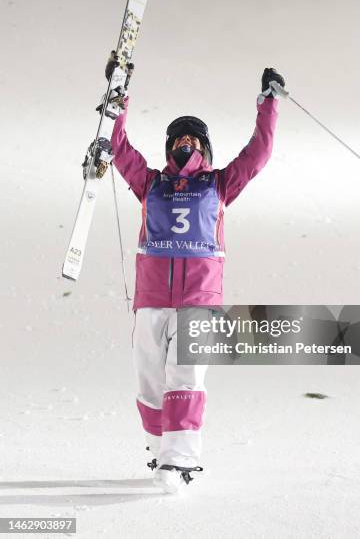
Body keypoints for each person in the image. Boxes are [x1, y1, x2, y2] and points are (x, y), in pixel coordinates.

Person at [105, 57, 285, 492]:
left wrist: (269, 104)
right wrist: (118, 94)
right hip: (151, 298)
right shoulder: (149, 184)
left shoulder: (220, 184)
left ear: (205, 147)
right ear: (170, 148)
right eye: (178, 137)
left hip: (198, 301)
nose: (186, 141)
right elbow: (117, 145)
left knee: (185, 376)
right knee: (149, 380)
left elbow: (257, 154)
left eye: (194, 137)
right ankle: (158, 449)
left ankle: (180, 460)